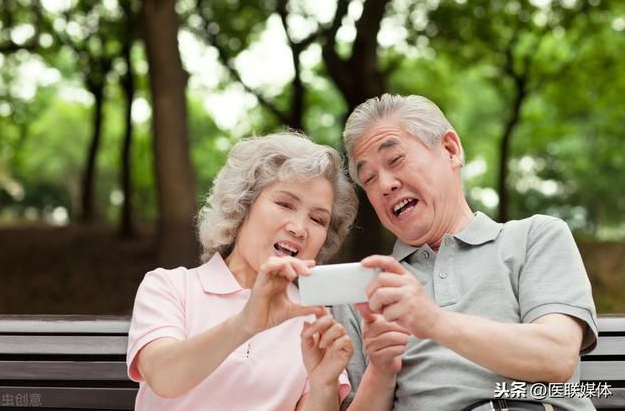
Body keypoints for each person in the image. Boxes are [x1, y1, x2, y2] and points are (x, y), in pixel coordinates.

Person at [333, 94, 598, 411]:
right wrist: (380, 371)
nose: (385, 185)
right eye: (369, 179)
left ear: (450, 150)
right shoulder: (364, 290)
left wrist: (431, 320)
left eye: (395, 160)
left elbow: (557, 356)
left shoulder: (534, 237)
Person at [127, 132, 360, 410]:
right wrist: (246, 322)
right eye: (285, 204)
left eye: (317, 219)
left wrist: (323, 383)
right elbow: (163, 378)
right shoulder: (169, 287)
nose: (299, 228)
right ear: (243, 204)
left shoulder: (311, 316)